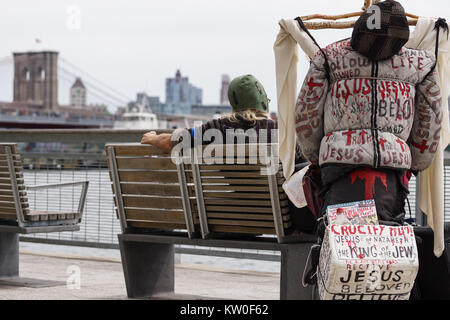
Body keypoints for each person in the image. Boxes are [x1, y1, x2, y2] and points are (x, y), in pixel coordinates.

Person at [295, 0, 442, 225]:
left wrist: (317, 156)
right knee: (385, 240)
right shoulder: (422, 64)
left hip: (338, 166)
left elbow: (306, 114)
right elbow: (430, 120)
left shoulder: (328, 57)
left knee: (338, 241)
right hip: (391, 169)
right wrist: (415, 163)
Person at [141, 74, 276, 150]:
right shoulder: (278, 130)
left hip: (230, 199)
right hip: (275, 199)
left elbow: (169, 141)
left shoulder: (217, 128)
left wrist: (153, 138)